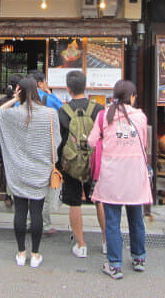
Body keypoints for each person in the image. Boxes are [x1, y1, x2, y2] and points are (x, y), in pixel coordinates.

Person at [88, 80, 152, 280]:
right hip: (135, 174)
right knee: (136, 218)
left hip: (112, 174)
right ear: (132, 97)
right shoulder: (140, 117)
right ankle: (139, 258)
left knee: (113, 222)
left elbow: (91, 141)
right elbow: (145, 143)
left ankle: (115, 265)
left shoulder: (103, 116)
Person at [0, 77, 62, 268]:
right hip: (40, 170)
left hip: (18, 170)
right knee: (36, 213)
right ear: (37, 90)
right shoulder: (50, 114)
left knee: (20, 212)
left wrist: (14, 100)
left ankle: (20, 252)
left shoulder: (13, 114)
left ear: (20, 91)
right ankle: (35, 254)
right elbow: (56, 141)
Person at [58, 70, 106, 258]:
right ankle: (106, 242)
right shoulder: (98, 109)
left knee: (74, 202)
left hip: (71, 162)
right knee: (99, 200)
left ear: (68, 88)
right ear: (85, 86)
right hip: (94, 161)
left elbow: (61, 140)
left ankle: (81, 245)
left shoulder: (63, 111)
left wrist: (58, 164)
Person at [27, 69, 63, 235]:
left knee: (27, 185)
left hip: (26, 148)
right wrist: (50, 93)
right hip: (45, 149)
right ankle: (44, 224)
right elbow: (63, 111)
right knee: (45, 187)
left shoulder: (20, 100)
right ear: (40, 83)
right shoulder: (47, 98)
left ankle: (28, 221)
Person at [0, 73, 23, 207]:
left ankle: (7, 195)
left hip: (5, 139)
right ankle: (16, 193)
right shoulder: (20, 101)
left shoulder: (3, 101)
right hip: (17, 139)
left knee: (5, 166)